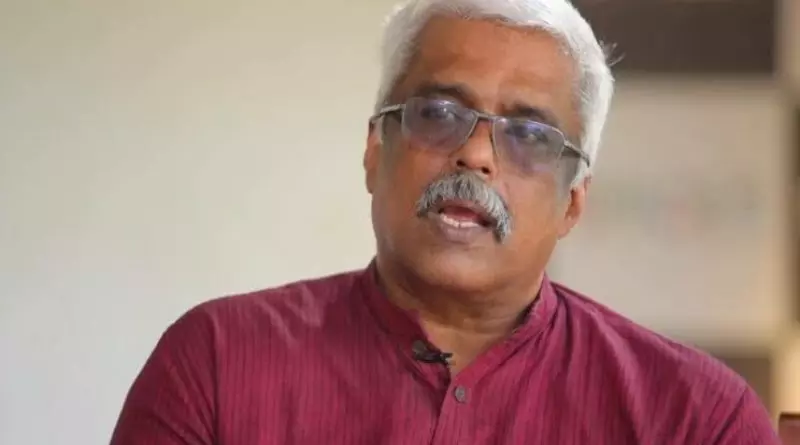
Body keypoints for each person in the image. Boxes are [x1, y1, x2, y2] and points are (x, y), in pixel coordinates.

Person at [110, 0, 781, 443]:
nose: (476, 154)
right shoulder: (218, 363)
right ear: (375, 152)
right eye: (438, 114)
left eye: (529, 135)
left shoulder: (696, 417)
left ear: (573, 203)